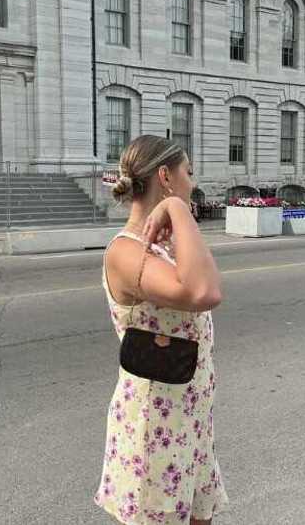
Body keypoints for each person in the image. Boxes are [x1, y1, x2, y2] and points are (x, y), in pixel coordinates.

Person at [94, 135, 227, 524]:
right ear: (165, 176)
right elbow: (204, 291)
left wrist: (176, 219)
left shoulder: (165, 245)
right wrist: (176, 209)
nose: (193, 182)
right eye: (189, 172)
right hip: (154, 426)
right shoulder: (125, 252)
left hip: (191, 417)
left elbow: (202, 277)